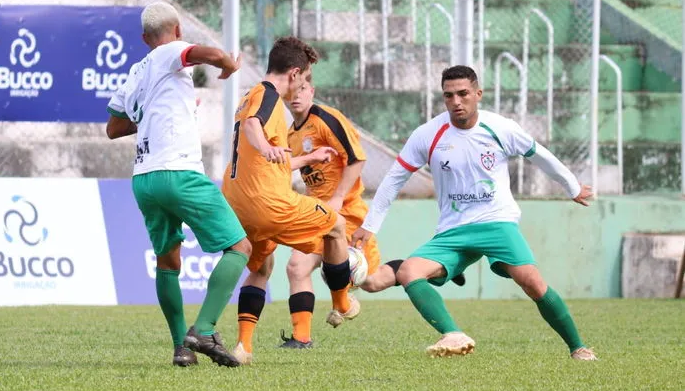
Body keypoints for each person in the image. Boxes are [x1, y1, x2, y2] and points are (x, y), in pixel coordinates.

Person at [351, 65, 598, 361]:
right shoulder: (428, 134)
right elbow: (394, 179)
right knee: (409, 271)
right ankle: (453, 334)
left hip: (497, 224)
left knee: (532, 282)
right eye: (449, 95)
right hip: (453, 231)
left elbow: (540, 155)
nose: (456, 101)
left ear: (478, 94)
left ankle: (578, 348)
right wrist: (370, 224)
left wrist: (572, 187)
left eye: (463, 94)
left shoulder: (500, 127)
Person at [106, 2, 251, 368]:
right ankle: (203, 329)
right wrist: (229, 64)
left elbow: (114, 128)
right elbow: (211, 54)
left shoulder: (137, 72)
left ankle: (180, 348)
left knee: (168, 261)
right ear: (178, 29)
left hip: (144, 178)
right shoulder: (172, 51)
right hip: (178, 172)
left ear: (143, 39)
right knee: (240, 247)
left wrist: (154, 115)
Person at [221, 36, 360, 365]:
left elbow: (260, 150)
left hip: (238, 200)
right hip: (268, 202)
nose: (303, 84)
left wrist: (304, 160)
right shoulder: (268, 94)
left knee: (261, 268)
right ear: (295, 73)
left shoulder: (249, 97)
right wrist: (267, 146)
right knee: (336, 226)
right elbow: (255, 129)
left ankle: (243, 347)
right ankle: (341, 302)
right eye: (306, 75)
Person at [280, 79, 381, 347]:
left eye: (302, 89)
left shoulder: (326, 118)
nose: (296, 96)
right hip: (316, 214)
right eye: (291, 91)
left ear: (312, 90)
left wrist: (337, 197)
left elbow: (357, 158)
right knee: (296, 267)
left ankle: (422, 271)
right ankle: (301, 339)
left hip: (347, 212)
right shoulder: (291, 134)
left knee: (370, 280)